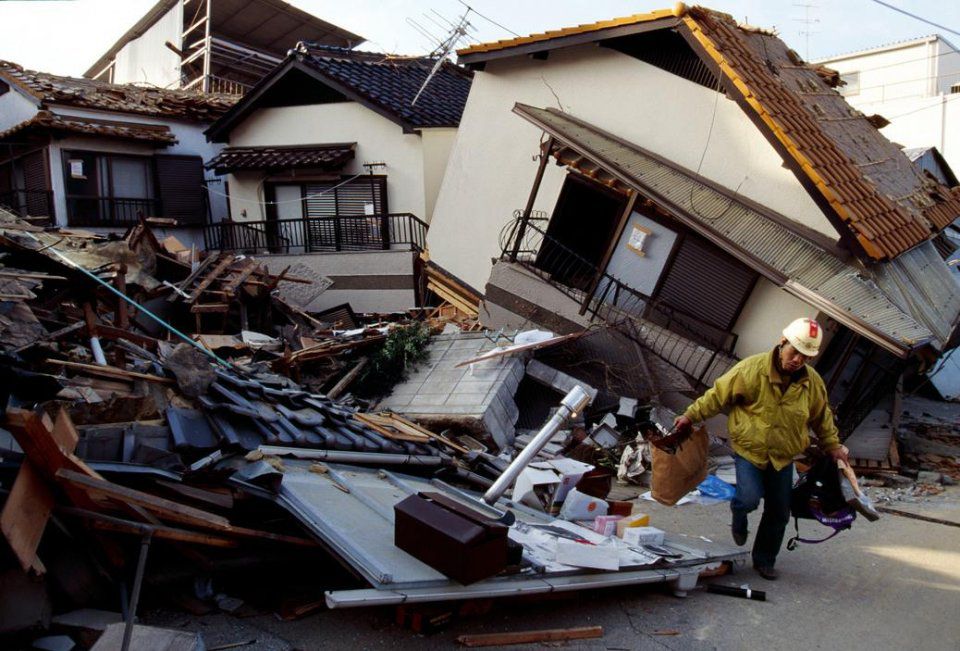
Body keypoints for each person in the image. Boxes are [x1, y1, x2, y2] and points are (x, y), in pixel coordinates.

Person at [673, 318, 848, 580]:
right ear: (782, 342)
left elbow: (822, 418)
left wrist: (833, 446)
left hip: (783, 456)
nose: (798, 360)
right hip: (750, 451)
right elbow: (717, 396)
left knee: (779, 511)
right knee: (749, 498)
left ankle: (765, 559)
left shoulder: (812, 384)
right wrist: (690, 416)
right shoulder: (752, 370)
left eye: (806, 356)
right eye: (794, 352)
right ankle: (739, 514)